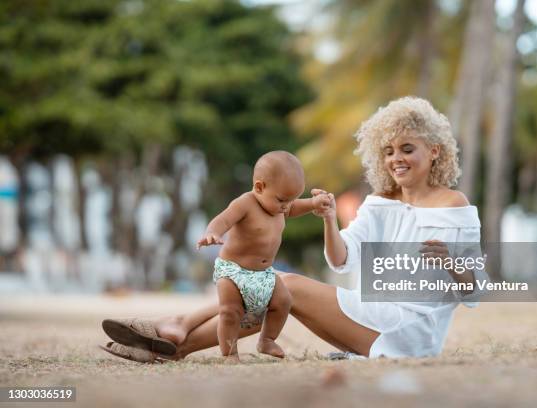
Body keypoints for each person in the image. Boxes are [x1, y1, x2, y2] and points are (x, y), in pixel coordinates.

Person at [100, 96, 484, 362]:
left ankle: (179, 329)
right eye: (388, 151)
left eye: (407, 149)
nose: (396, 159)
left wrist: (451, 263)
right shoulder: (379, 203)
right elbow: (341, 260)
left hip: (410, 332)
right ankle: (172, 345)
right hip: (371, 313)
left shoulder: (455, 206)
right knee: (273, 289)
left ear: (434, 150)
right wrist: (330, 220)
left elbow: (474, 292)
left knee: (283, 285)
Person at [101, 151, 331, 362]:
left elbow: (294, 208)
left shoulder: (281, 206)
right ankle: (229, 353)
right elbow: (222, 220)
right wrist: (212, 233)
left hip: (264, 274)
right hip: (233, 271)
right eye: (282, 200)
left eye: (291, 199)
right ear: (259, 187)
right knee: (230, 312)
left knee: (283, 301)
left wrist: (312, 204)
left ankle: (267, 340)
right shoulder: (246, 203)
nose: (286, 206)